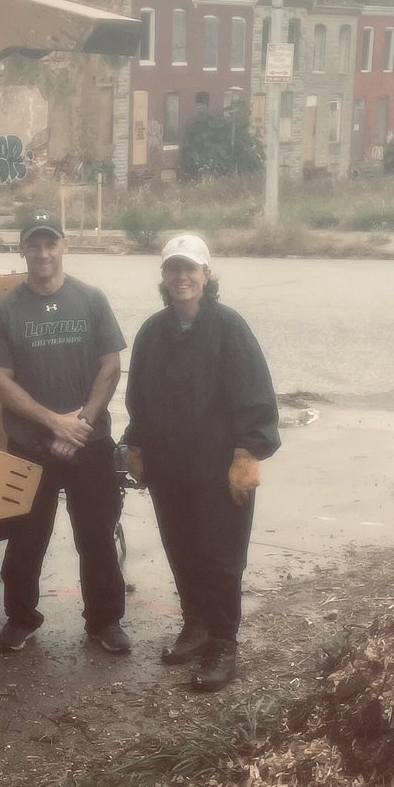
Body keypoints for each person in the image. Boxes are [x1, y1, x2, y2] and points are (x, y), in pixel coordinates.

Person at [124, 234, 280, 692]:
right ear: (164, 278)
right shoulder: (153, 332)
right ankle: (195, 627)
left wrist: (249, 452)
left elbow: (255, 394)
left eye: (190, 269)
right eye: (173, 270)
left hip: (219, 469)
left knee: (221, 557)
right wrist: (136, 444)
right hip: (170, 469)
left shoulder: (229, 328)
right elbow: (140, 400)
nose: (181, 278)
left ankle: (223, 643)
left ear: (206, 275)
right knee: (182, 549)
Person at [0, 210, 130, 654]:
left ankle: (104, 621)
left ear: (63, 245)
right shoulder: (8, 309)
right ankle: (21, 618)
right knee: (26, 540)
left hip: (90, 443)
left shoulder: (90, 299)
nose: (43, 253)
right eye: (34, 244)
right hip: (31, 446)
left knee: (97, 536)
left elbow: (111, 364)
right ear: (23, 248)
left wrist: (81, 423)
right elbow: (0, 379)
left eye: (51, 243)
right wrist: (54, 422)